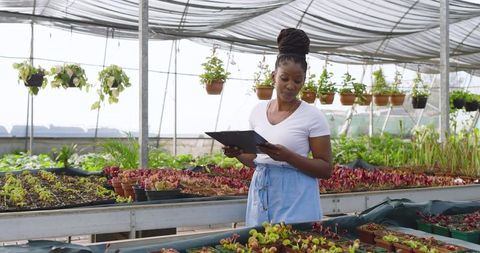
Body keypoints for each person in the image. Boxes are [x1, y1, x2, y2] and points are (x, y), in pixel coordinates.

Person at [222, 28, 333, 227]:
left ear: (304, 81)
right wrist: (237, 153)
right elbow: (256, 160)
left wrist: (288, 156)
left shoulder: (313, 117)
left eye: (298, 80)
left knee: (293, 245)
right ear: (273, 75)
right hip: (261, 192)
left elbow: (325, 169)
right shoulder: (257, 111)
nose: (291, 85)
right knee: (261, 245)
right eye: (284, 78)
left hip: (296, 195)